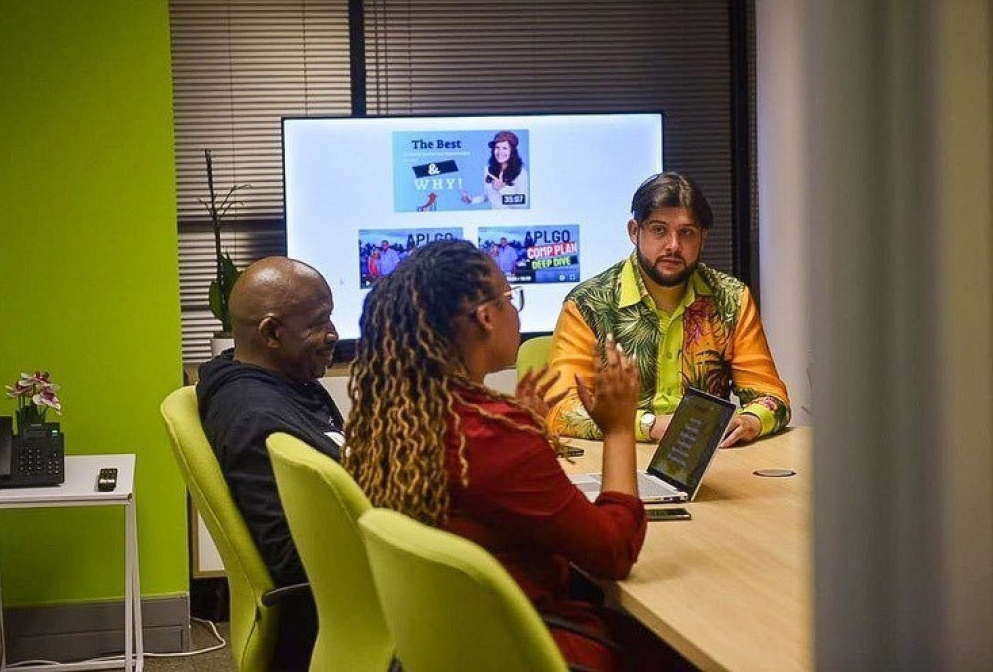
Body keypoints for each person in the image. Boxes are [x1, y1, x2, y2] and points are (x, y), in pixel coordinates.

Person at [343, 240, 679, 672]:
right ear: (486, 317)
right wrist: (618, 428)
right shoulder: (490, 437)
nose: (515, 311)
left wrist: (524, 434)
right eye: (510, 297)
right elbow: (613, 551)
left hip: (453, 643)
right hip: (530, 647)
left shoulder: (399, 416)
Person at [546, 171, 789, 446]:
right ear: (634, 231)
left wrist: (750, 421)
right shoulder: (588, 303)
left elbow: (771, 397)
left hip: (703, 460)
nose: (673, 245)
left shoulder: (731, 298)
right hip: (617, 455)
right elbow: (560, 408)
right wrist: (648, 425)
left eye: (686, 233)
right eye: (659, 230)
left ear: (703, 237)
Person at [197, 256, 342, 671]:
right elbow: (290, 560)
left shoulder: (282, 383)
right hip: (330, 619)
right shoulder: (257, 421)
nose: (333, 333)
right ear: (272, 333)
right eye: (320, 322)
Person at [461, 130, 530, 208]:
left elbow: (523, 204)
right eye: (497, 147)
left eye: (505, 148)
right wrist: (472, 200)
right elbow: (488, 196)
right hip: (493, 215)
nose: (500, 152)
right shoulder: (488, 170)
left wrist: (502, 189)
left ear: (512, 152)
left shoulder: (521, 172)